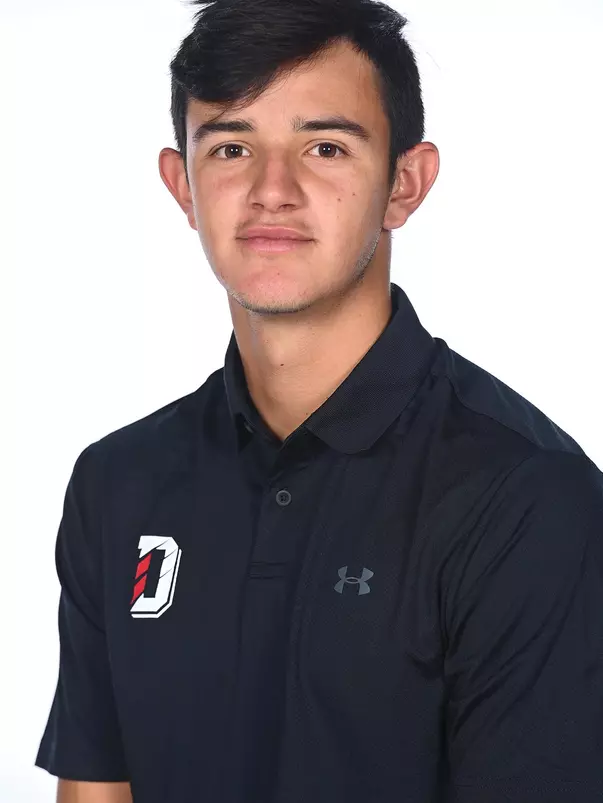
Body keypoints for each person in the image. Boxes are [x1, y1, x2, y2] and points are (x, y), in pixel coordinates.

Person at [35, 0, 603, 801]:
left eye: (325, 147)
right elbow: (97, 790)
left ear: (404, 183)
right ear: (183, 185)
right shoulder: (117, 482)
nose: (272, 190)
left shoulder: (526, 497)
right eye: (231, 147)